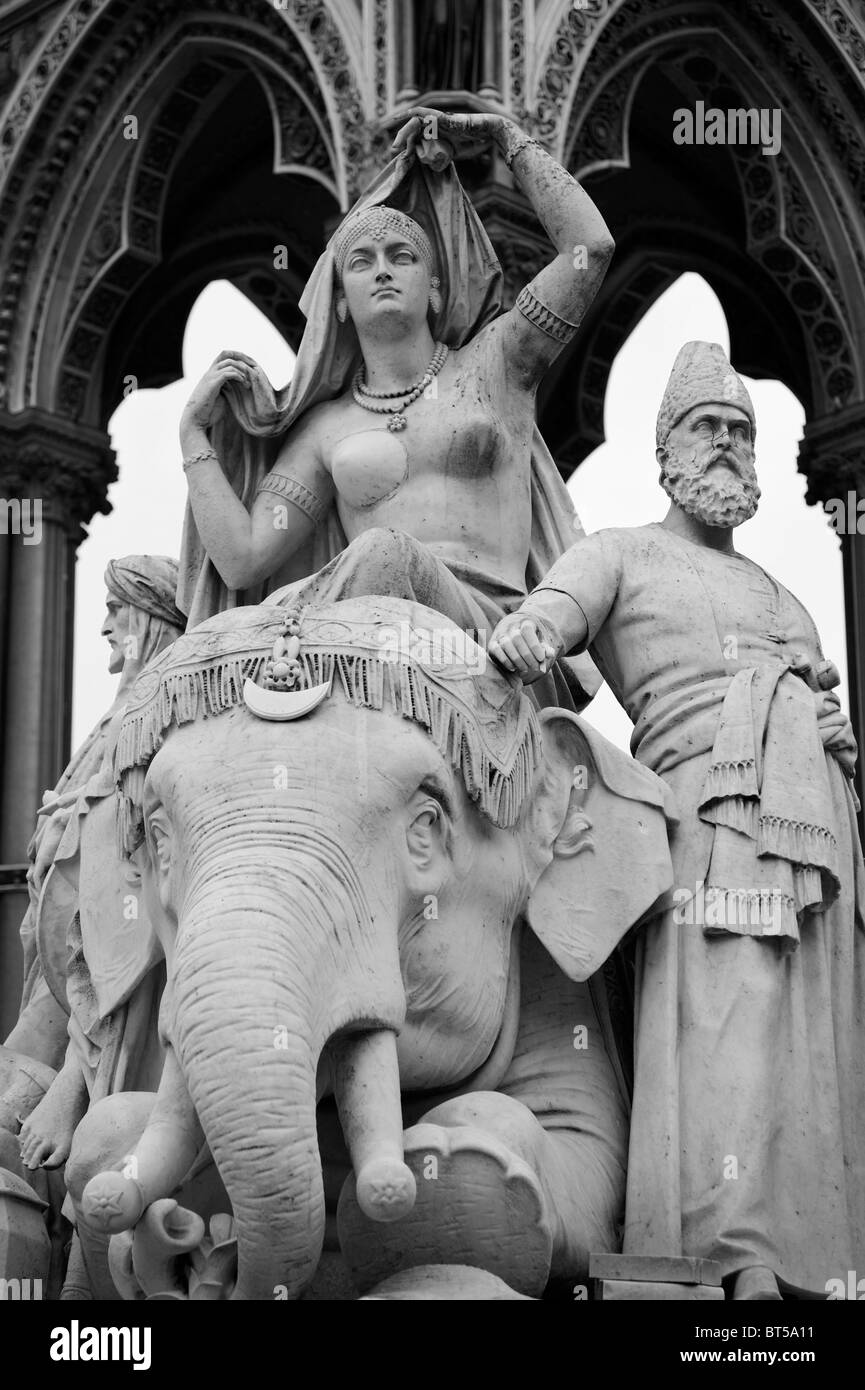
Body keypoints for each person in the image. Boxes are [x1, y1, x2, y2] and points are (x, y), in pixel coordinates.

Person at [488, 341, 865, 1298]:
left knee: (810, 1046)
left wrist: (830, 734)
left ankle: (819, 1259)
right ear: (665, 450)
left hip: (813, 828)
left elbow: (812, 704)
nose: (729, 444)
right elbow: (548, 617)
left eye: (741, 430)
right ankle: (732, 1258)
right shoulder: (618, 551)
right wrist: (526, 630)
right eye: (708, 427)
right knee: (725, 1028)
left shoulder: (785, 596)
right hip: (707, 820)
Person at [175, 107, 610, 709]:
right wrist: (194, 438)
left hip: (492, 631)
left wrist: (503, 139)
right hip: (374, 637)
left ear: (434, 289)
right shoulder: (328, 430)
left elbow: (589, 248)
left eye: (401, 256)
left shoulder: (498, 364)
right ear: (343, 303)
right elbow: (243, 559)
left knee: (384, 552)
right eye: (361, 261)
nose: (381, 269)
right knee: (221, 637)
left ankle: (289, 661)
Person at [0, 556, 184, 1147]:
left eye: (116, 609)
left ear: (154, 618)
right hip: (61, 923)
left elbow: (134, 819)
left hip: (118, 906)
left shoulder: (158, 706)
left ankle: (68, 1086)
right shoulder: (119, 711)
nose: (105, 626)